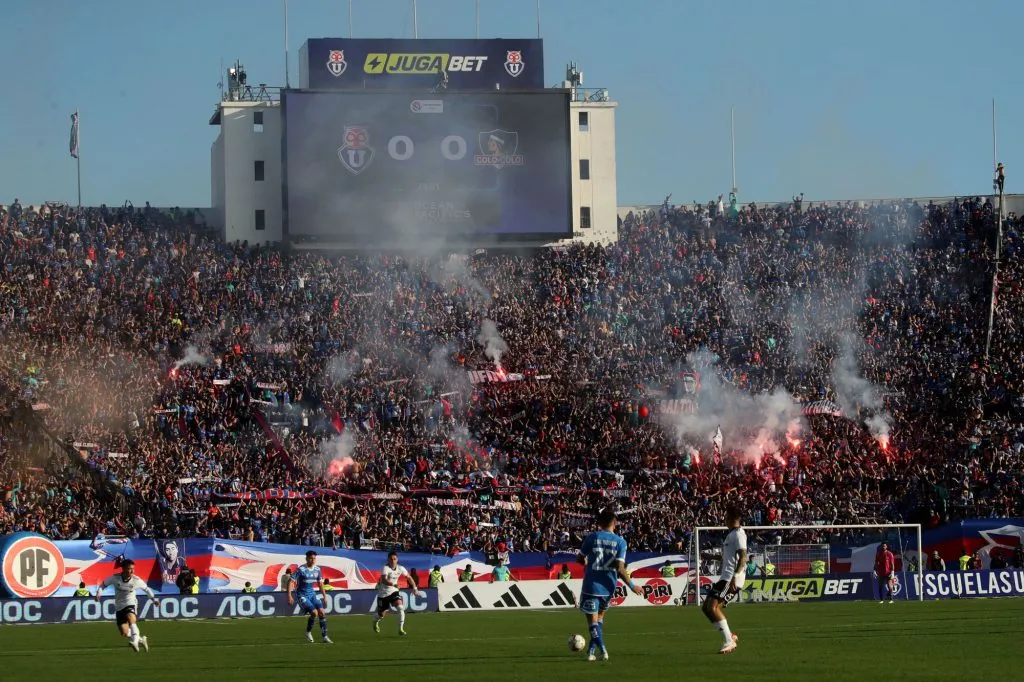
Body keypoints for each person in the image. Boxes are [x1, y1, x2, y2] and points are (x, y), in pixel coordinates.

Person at [577, 505, 642, 662]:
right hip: (608, 587)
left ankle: (603, 650)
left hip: (591, 585)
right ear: (615, 523)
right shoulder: (621, 542)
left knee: (592, 623)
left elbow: (580, 558)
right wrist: (632, 586)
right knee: (599, 620)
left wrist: (587, 562)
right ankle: (591, 652)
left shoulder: (592, 538)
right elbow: (620, 569)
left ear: (599, 523)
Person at [701, 506, 746, 655]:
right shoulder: (731, 535)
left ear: (732, 518)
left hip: (730, 578)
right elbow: (728, 558)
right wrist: (712, 557)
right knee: (706, 608)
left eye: (726, 516)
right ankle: (730, 635)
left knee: (712, 607)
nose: (724, 519)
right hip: (725, 577)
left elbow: (743, 557)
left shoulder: (739, 534)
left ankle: (729, 640)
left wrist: (736, 575)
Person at [95, 559, 158, 653]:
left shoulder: (136, 580)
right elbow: (103, 584)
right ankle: (141, 640)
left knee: (131, 620)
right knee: (124, 632)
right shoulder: (115, 578)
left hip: (131, 603)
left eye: (133, 569)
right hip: (119, 606)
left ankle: (135, 642)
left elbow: (146, 589)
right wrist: (98, 593)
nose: (132, 571)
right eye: (129, 569)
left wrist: (154, 600)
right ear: (123, 569)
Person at [287, 550, 332, 644]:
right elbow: (290, 582)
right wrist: (290, 596)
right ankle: (308, 632)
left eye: (314, 558)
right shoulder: (301, 569)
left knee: (322, 612)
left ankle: (325, 637)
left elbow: (320, 584)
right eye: (311, 558)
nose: (313, 560)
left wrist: (324, 596)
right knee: (314, 613)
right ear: (307, 559)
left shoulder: (317, 570)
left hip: (312, 595)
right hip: (302, 595)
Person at [373, 551, 422, 636]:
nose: (393, 560)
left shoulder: (401, 568)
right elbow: (384, 580)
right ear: (388, 560)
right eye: (391, 559)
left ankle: (401, 629)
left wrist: (415, 589)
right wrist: (393, 584)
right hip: (383, 593)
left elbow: (409, 577)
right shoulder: (385, 568)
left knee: (400, 607)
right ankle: (375, 621)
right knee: (381, 614)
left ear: (397, 559)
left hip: (394, 591)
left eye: (394, 559)